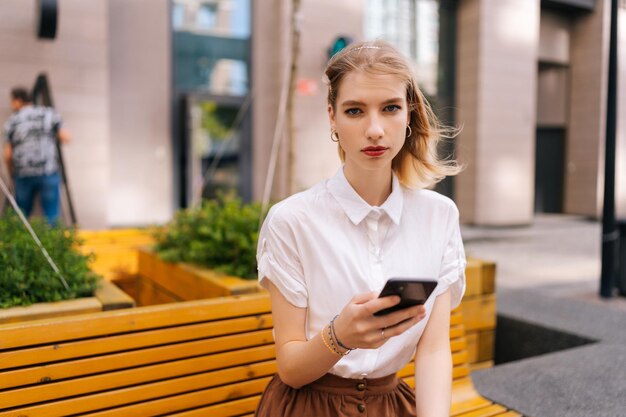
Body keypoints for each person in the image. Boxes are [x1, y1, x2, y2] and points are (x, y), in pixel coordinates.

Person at [255, 40, 466, 416]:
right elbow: (290, 368)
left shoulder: (439, 216)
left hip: (392, 405)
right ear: (332, 118)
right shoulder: (292, 220)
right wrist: (340, 337)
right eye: (355, 111)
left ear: (409, 113)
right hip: (308, 405)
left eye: (390, 108)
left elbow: (433, 351)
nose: (374, 130)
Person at [3, 87, 70, 225]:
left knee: (22, 216)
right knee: (52, 214)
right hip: (48, 171)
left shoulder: (13, 120)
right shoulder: (49, 113)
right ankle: (54, 246)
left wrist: (12, 173)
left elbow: (8, 154)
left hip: (23, 174)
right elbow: (66, 137)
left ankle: (22, 245)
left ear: (17, 101)